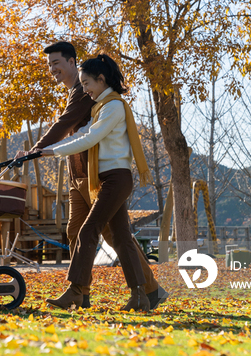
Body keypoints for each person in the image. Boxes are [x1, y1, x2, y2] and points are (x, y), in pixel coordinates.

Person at [26, 45, 167, 311]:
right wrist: (46, 152)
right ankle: (142, 295)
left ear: (100, 79)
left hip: (112, 178)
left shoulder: (112, 107)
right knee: (119, 237)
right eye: (83, 85)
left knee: (92, 231)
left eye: (87, 84)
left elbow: (87, 137)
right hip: (98, 177)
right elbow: (81, 135)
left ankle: (79, 291)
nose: (85, 90)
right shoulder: (100, 107)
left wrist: (46, 152)